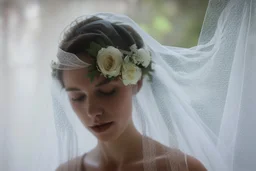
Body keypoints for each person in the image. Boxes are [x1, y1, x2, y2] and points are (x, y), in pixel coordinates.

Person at [50, 0, 256, 170]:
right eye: (77, 97)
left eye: (106, 92)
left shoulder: (185, 168)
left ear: (136, 82)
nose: (92, 111)